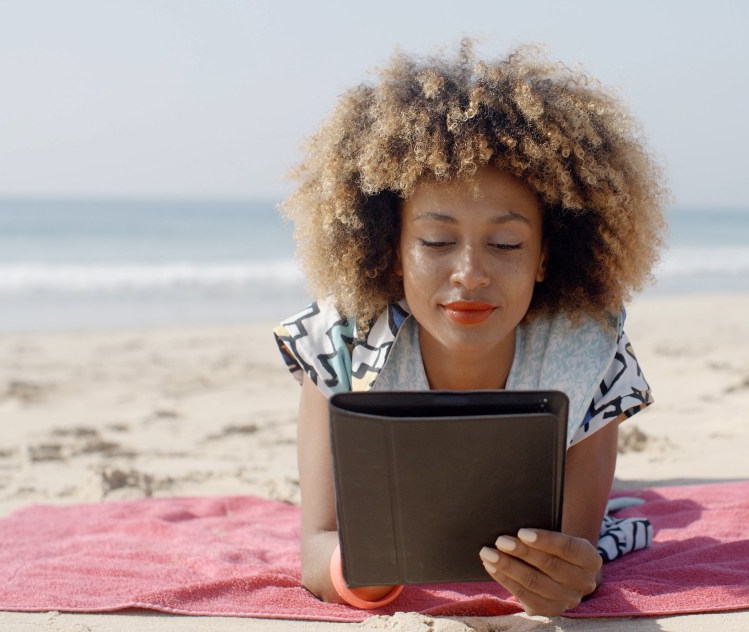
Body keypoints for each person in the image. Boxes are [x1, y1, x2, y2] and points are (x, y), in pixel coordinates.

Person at [273, 41, 667, 617]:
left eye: (506, 244)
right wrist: (369, 575)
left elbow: (576, 555)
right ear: (393, 253)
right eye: (436, 241)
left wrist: (571, 578)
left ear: (543, 257)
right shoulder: (341, 347)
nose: (471, 274)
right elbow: (318, 545)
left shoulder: (585, 353)